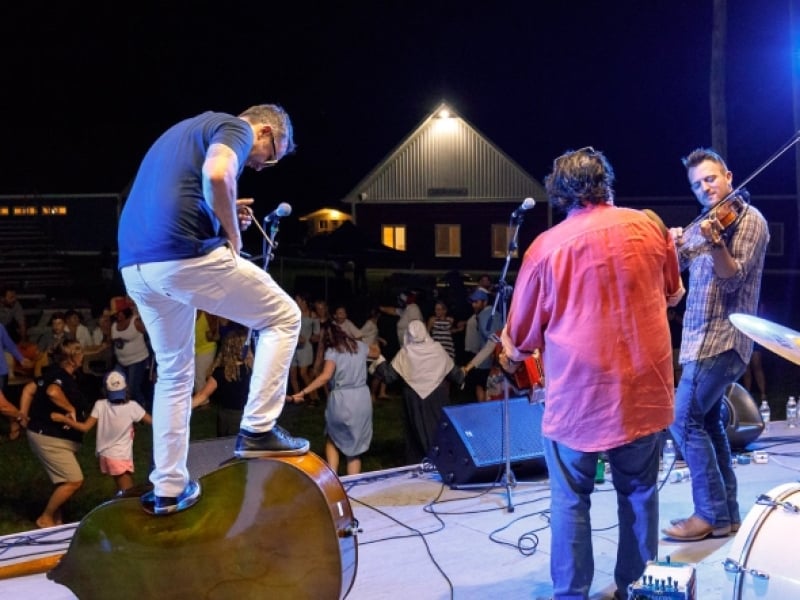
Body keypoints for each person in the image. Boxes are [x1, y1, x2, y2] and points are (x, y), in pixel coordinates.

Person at [499, 147, 684, 599]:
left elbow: (521, 340)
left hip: (578, 402)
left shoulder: (546, 248)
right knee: (640, 495)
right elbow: (673, 294)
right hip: (644, 393)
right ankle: (636, 587)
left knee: (569, 501)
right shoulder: (650, 226)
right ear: (607, 182)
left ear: (560, 194)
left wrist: (506, 348)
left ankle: (572, 593)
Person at [117, 104, 309, 515]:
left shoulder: (184, 131)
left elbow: (185, 192)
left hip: (136, 265)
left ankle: (168, 487)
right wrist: (231, 232)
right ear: (263, 131)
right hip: (182, 256)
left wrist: (217, 210)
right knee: (284, 317)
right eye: (271, 155)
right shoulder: (233, 127)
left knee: (174, 371)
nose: (263, 166)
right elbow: (218, 174)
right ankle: (258, 430)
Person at [662, 148, 769, 542]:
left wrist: (717, 244)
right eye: (696, 184)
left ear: (728, 175)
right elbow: (676, 263)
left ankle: (707, 513)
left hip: (723, 341)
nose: (705, 187)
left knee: (682, 419)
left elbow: (732, 280)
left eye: (710, 179)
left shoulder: (750, 221)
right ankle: (726, 516)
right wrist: (671, 241)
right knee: (707, 424)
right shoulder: (706, 223)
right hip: (697, 340)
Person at [289, 322, 380, 475]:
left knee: (332, 438)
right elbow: (376, 353)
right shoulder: (359, 346)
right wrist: (376, 341)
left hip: (342, 400)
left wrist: (303, 392)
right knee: (354, 450)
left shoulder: (332, 351)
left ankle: (333, 478)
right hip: (362, 400)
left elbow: (325, 376)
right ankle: (354, 485)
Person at [20, 340, 91, 528]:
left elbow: (28, 390)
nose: (83, 357)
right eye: (80, 354)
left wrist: (23, 416)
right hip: (50, 437)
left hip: (49, 435)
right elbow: (52, 392)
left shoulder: (53, 373)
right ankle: (46, 517)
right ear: (72, 358)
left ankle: (57, 520)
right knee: (74, 479)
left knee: (63, 479)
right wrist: (70, 409)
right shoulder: (60, 377)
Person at [374, 320, 464, 463]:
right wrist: (461, 375)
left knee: (418, 431)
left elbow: (389, 376)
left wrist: (378, 359)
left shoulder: (406, 352)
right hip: (437, 396)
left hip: (415, 399)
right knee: (439, 430)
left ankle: (424, 463)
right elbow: (455, 374)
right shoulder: (436, 349)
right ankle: (443, 461)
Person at [51, 369, 152, 493]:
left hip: (106, 455)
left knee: (121, 488)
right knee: (129, 493)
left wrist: (65, 420)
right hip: (119, 456)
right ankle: (119, 509)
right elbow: (153, 422)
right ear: (126, 389)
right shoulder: (132, 407)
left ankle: (116, 504)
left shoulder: (100, 405)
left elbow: (85, 427)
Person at [192, 329, 252, 436]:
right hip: (243, 417)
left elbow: (202, 395)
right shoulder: (250, 370)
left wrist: (180, 410)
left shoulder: (221, 373)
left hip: (226, 418)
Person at [463, 288, 502, 401]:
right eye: (473, 302)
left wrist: (468, 366)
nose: (474, 305)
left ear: (485, 302)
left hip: (488, 361)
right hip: (494, 360)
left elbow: (491, 343)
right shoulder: (496, 314)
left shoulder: (485, 316)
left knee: (482, 386)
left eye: (477, 302)